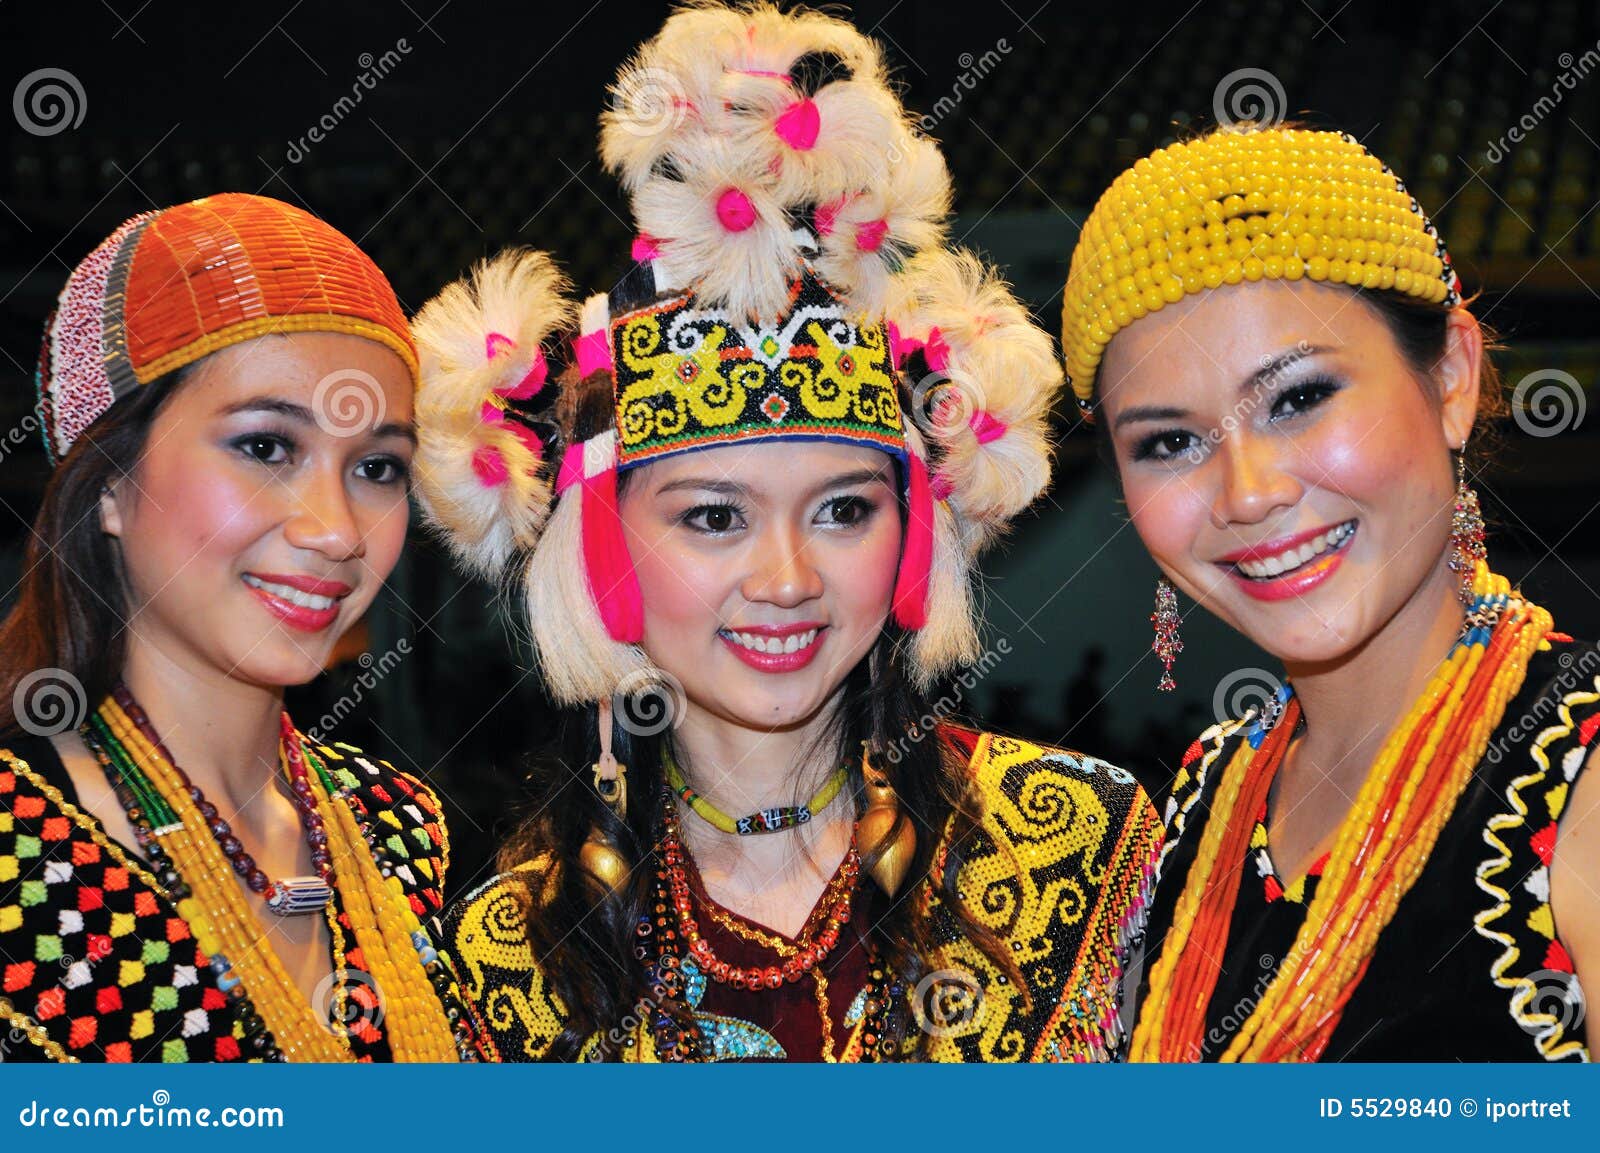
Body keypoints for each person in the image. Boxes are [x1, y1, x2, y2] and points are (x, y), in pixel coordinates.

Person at [414, 1, 1162, 1062]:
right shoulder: (505, 959)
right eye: (713, 516)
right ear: (599, 549)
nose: (786, 577)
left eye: (845, 510)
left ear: (913, 532)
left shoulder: (1079, 846)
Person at [1062, 122, 1598, 1060]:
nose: (1249, 490)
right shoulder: (1204, 802)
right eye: (1170, 442)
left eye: (1299, 397)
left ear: (1452, 377)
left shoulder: (1581, 788)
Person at [0, 193, 478, 1062]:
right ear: (108, 481)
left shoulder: (399, 826)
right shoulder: (18, 846)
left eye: (377, 467)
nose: (335, 528)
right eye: (266, 447)